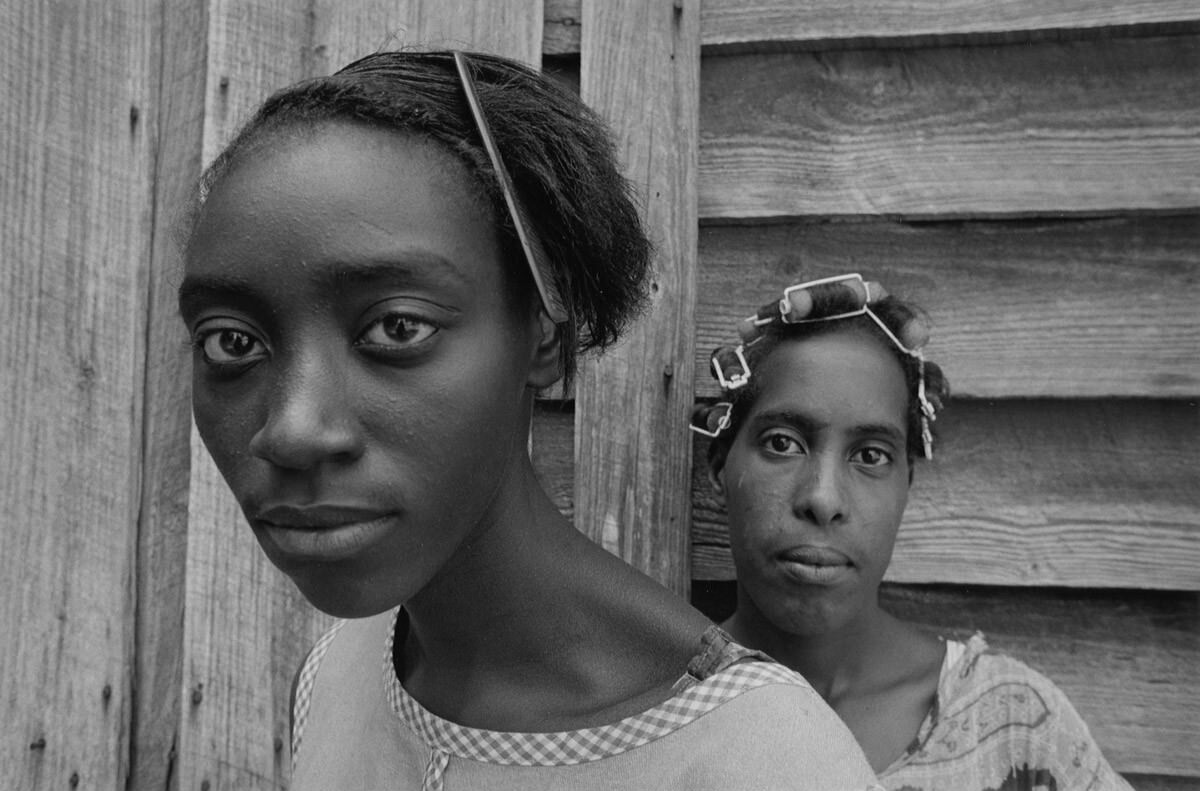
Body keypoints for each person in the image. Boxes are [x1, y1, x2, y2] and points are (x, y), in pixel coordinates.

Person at [178, 50, 882, 790]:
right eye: (233, 341)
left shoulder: (766, 762)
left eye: (396, 329)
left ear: (547, 332)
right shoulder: (335, 679)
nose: (291, 429)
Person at [692, 274, 1133, 790]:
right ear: (719, 467)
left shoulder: (1014, 729)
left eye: (871, 456)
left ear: (907, 485)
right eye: (784, 443)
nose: (823, 499)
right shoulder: (655, 724)